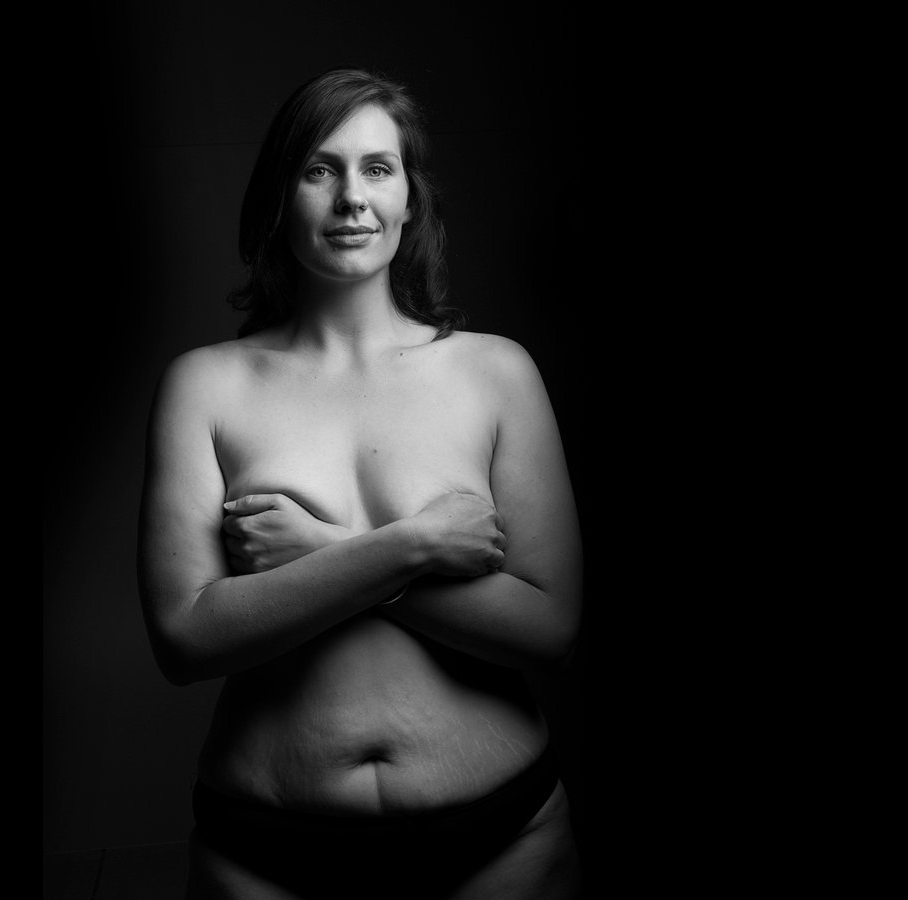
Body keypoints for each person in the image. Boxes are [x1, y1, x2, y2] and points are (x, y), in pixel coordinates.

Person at [137, 67, 584, 899]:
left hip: (503, 841)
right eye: (320, 169)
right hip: (265, 853)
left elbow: (550, 628)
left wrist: (321, 549)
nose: (352, 197)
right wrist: (414, 546)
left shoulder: (496, 373)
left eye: (378, 168)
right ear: (281, 197)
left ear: (411, 199)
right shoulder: (205, 386)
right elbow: (185, 640)